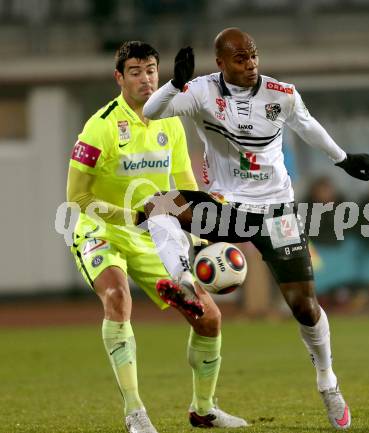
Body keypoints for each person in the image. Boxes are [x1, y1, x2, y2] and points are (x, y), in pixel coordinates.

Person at [142, 28, 369, 430]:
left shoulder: (281, 94)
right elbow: (151, 111)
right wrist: (174, 83)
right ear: (220, 63)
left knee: (304, 306)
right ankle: (182, 282)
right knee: (157, 205)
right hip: (224, 207)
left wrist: (342, 159)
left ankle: (327, 383)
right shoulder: (199, 92)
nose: (250, 64)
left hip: (276, 211)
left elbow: (307, 125)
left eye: (253, 56)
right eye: (240, 59)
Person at [67, 41, 247, 433]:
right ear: (120, 78)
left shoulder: (171, 122)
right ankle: (135, 412)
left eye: (151, 70)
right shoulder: (100, 127)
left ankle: (204, 410)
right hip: (102, 228)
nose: (145, 78)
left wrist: (201, 235)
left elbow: (184, 188)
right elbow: (77, 197)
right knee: (117, 298)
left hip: (153, 230)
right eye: (135, 71)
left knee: (209, 318)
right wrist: (130, 214)